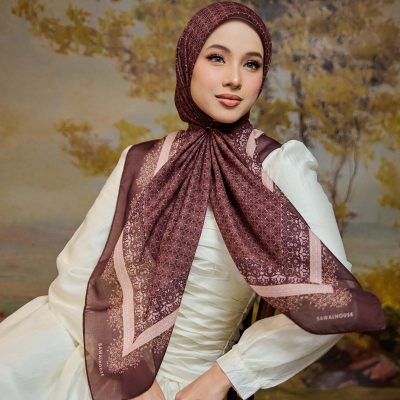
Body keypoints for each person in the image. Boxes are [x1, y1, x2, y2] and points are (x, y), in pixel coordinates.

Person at [0, 2, 384, 400]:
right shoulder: (141, 161)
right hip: (103, 367)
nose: (234, 78)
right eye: (217, 58)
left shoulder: (281, 167)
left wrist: (224, 376)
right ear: (187, 64)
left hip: (195, 387)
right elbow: (77, 280)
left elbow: (335, 301)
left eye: (251, 64)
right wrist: (132, 381)